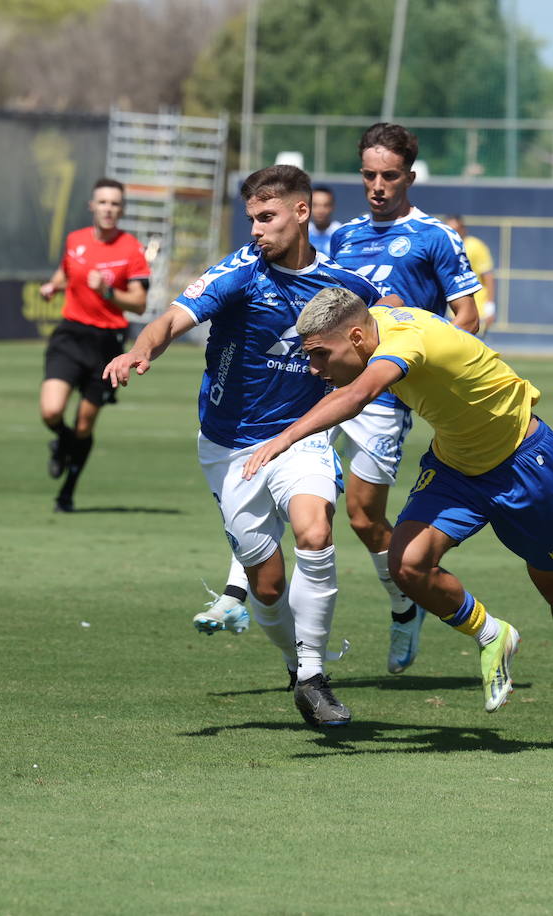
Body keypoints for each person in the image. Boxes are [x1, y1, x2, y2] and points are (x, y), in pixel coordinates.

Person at [243, 289, 553, 745]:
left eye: (320, 355)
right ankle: (492, 634)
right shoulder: (377, 320)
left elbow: (359, 394)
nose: (314, 368)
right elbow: (390, 300)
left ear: (356, 337)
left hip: (524, 464)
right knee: (407, 565)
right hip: (456, 468)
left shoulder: (402, 345)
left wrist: (284, 438)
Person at [196, 124, 481, 682]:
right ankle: (243, 594)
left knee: (364, 517)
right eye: (368, 175)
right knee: (282, 480)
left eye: (389, 175)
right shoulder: (344, 236)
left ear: (409, 176)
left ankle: (403, 605)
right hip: (326, 387)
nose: (377, 185)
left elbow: (467, 318)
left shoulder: (436, 237)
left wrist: (418, 357)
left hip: (385, 392)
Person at [103, 165, 384, 728]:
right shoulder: (239, 273)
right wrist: (140, 351)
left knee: (315, 532)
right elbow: (171, 320)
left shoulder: (342, 285)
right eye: (251, 218)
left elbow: (387, 326)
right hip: (229, 447)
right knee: (268, 585)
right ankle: (293, 662)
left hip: (300, 436)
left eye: (266, 217)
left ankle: (313, 676)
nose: (255, 229)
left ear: (301, 212)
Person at [38, 178, 150, 512]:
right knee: (51, 411)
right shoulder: (75, 240)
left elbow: (139, 304)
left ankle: (67, 492)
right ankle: (63, 441)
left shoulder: (131, 249)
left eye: (115, 203)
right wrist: (53, 286)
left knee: (85, 424)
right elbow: (65, 271)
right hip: (70, 335)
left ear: (122, 209)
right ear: (92, 206)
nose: (108, 209)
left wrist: (107, 291)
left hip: (106, 344)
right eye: (103, 202)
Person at [445, 215, 497, 336]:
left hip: (476, 309)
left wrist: (490, 307)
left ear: (463, 229)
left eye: (456, 229)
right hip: (453, 310)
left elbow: (488, 276)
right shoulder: (445, 247)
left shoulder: (475, 246)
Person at [307, 185, 342, 253]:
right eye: (315, 205)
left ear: (332, 207)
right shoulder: (303, 233)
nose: (320, 211)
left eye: (325, 205)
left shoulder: (340, 233)